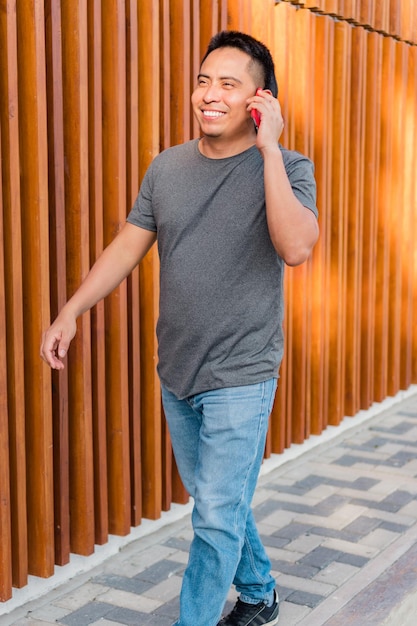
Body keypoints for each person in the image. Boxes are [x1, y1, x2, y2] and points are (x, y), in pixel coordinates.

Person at [41, 30, 318, 626]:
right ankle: (260, 591)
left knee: (216, 513)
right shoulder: (167, 168)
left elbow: (295, 248)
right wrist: (71, 310)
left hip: (242, 374)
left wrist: (270, 149)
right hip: (178, 370)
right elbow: (126, 247)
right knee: (220, 502)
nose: (208, 94)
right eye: (202, 80)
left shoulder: (290, 167)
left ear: (259, 99)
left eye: (227, 83)